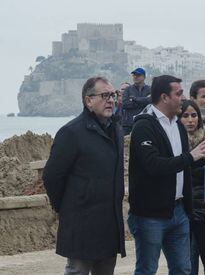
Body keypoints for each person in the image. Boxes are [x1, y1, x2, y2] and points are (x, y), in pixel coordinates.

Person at [127, 75, 205, 275]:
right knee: (147, 269)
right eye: (178, 94)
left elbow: (181, 165)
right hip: (149, 214)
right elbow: (154, 165)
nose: (183, 97)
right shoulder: (144, 126)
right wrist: (191, 156)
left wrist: (203, 157)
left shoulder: (177, 124)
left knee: (182, 269)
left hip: (178, 211)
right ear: (164, 97)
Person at [42, 76, 126, 275]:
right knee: (77, 271)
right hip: (81, 222)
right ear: (88, 100)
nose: (111, 100)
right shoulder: (71, 132)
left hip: (109, 223)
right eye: (105, 95)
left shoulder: (116, 130)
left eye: (113, 95)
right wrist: (64, 206)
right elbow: (52, 176)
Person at [179, 100, 205, 275]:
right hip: (183, 209)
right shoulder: (174, 142)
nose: (190, 120)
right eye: (185, 116)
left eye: (194, 115)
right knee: (186, 262)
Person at [122, 67, 151, 135]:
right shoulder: (128, 89)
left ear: (144, 77)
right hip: (129, 124)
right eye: (134, 75)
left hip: (145, 123)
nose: (135, 77)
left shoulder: (149, 89)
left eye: (138, 75)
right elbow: (125, 104)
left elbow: (151, 101)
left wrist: (134, 99)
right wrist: (144, 101)